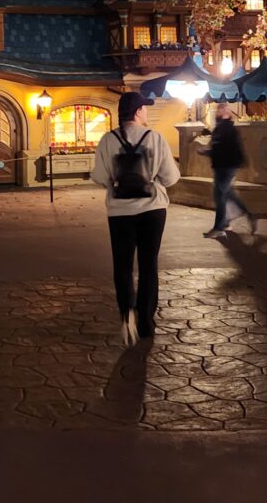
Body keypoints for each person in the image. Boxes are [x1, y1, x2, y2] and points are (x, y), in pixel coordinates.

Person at [90, 91, 180, 346]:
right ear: (139, 111)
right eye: (145, 108)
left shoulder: (108, 140)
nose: (147, 112)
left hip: (119, 211)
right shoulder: (155, 138)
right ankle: (146, 322)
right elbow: (171, 178)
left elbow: (98, 176)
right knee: (148, 264)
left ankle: (126, 312)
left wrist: (115, 183)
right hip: (152, 209)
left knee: (123, 264)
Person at [201, 102, 257, 238]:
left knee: (220, 196)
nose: (218, 112)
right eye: (218, 109)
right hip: (220, 166)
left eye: (222, 110)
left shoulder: (229, 128)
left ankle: (219, 227)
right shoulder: (218, 128)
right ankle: (245, 215)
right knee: (226, 194)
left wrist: (242, 162)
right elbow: (217, 149)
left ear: (227, 113)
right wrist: (207, 152)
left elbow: (231, 148)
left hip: (227, 166)